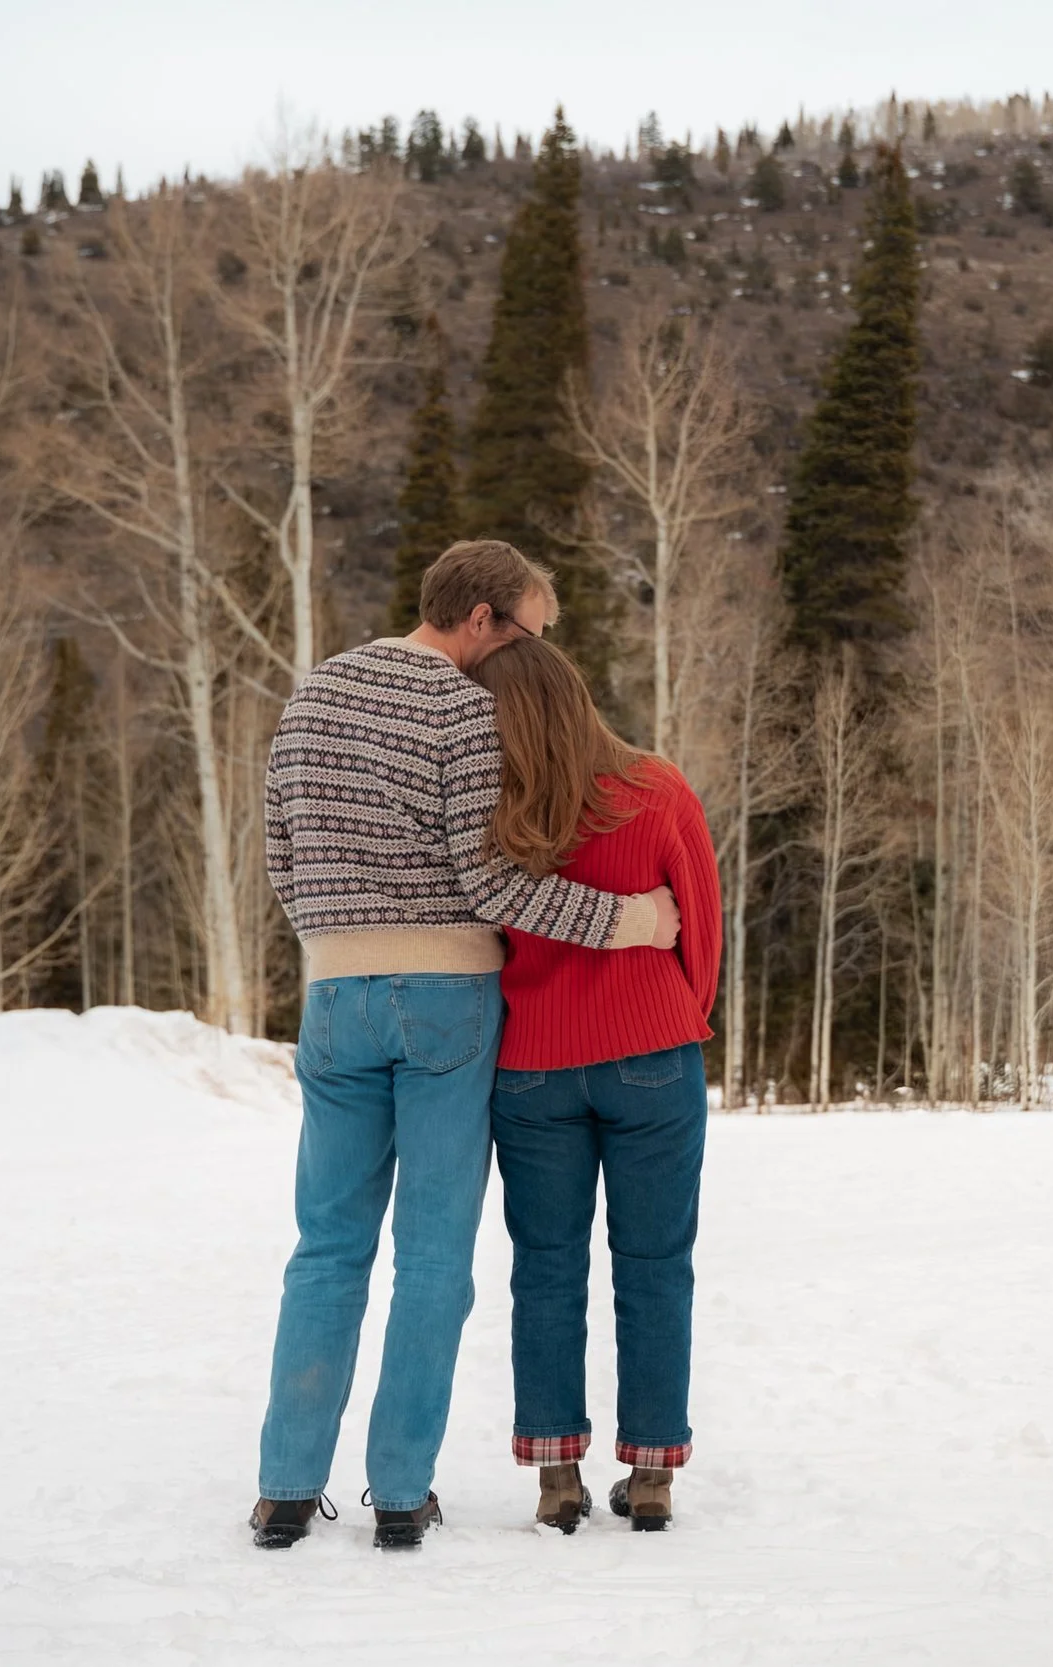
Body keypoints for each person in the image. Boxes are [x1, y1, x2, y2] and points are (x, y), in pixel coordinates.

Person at [249, 541, 681, 1553]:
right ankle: (399, 1492)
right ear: (484, 618)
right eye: (530, 631)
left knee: (325, 1246)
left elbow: (276, 851)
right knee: (434, 1252)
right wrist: (634, 922)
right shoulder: (460, 709)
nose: (533, 655)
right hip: (446, 996)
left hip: (331, 989)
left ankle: (282, 1487)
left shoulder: (313, 693)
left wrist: (337, 942)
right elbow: (494, 888)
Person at [466, 636, 722, 1534]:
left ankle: (556, 1475)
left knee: (545, 1268)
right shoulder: (657, 789)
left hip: (533, 1063)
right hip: (651, 1052)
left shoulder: (494, 811)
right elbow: (702, 928)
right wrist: (670, 1016)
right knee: (656, 1266)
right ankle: (650, 1476)